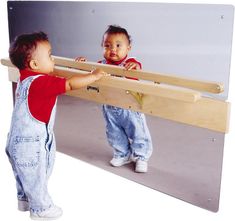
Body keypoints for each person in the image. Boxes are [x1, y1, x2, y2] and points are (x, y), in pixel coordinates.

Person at [5, 31, 107, 220]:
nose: (53, 60)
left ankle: (24, 201)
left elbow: (55, 75)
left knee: (24, 173)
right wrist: (92, 76)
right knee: (37, 176)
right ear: (35, 65)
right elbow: (69, 84)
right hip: (31, 144)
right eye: (50, 56)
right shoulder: (42, 82)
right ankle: (41, 209)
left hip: (15, 140)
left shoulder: (25, 78)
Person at [76, 25, 153, 173]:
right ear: (102, 47)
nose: (113, 49)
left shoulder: (130, 64)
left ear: (128, 48)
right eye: (107, 45)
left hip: (130, 108)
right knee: (114, 132)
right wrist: (82, 65)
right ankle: (122, 153)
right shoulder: (101, 66)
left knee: (138, 132)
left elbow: (137, 70)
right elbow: (89, 75)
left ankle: (141, 156)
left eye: (118, 45)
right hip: (110, 107)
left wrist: (134, 67)